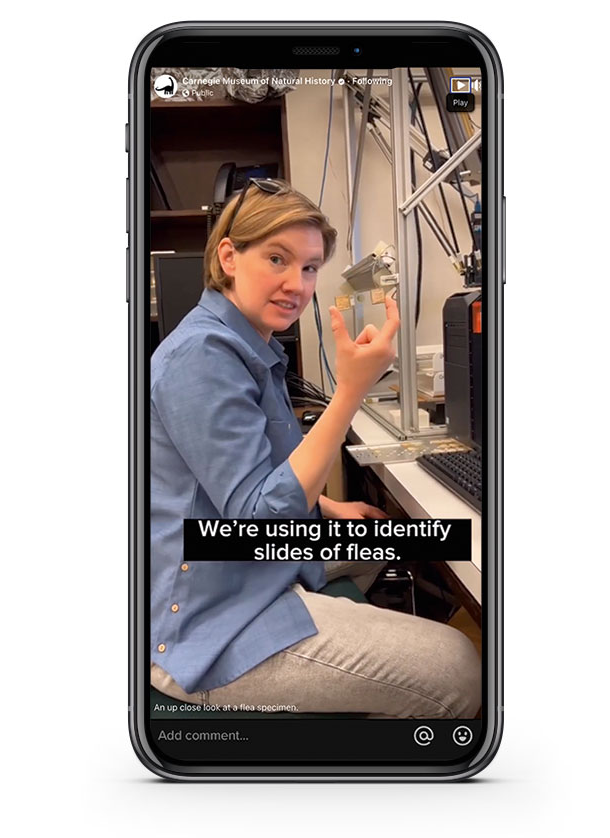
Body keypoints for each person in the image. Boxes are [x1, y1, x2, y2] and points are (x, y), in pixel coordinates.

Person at [150, 178, 480, 718]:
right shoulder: (202, 356)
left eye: (308, 268)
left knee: (388, 537)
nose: (296, 284)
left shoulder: (247, 342)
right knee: (457, 667)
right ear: (229, 256)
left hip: (248, 564)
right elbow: (257, 520)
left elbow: (248, 470)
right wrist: (351, 390)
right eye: (277, 259)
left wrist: (325, 507)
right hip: (207, 621)